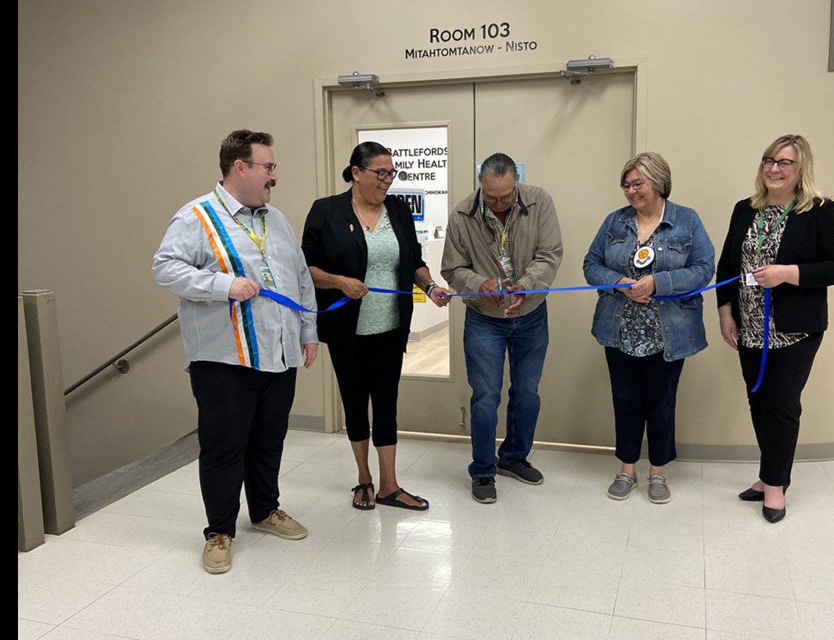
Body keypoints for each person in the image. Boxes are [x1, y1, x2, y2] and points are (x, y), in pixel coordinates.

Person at [152, 130, 318, 574]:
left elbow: (299, 276)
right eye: (268, 167)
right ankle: (220, 531)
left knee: (269, 439)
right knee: (225, 445)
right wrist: (224, 285)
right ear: (239, 167)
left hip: (279, 353)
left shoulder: (275, 220)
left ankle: (264, 511)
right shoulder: (196, 217)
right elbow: (165, 268)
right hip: (224, 359)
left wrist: (308, 330)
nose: (274, 175)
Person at [301, 141, 449, 512]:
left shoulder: (397, 210)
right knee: (354, 404)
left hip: (390, 328)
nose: (387, 180)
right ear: (356, 172)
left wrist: (429, 286)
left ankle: (389, 485)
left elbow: (414, 261)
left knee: (386, 404)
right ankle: (363, 480)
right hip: (346, 331)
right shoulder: (326, 211)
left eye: (391, 173)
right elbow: (305, 270)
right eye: (380, 173)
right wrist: (340, 281)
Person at [717, 134, 834, 523]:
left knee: (781, 406)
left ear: (800, 169)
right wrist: (725, 312)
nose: (774, 169)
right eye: (768, 161)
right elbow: (728, 265)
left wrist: (787, 273)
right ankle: (768, 474)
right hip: (748, 326)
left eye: (784, 163)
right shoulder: (746, 209)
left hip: (794, 331)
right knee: (758, 401)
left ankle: (775, 486)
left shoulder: (820, 211)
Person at [583, 152, 714, 504]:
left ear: (658, 182)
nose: (630, 191)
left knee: (661, 404)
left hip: (668, 333)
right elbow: (591, 264)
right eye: (626, 185)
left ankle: (657, 472)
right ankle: (627, 470)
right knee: (625, 401)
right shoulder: (615, 222)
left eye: (637, 184)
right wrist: (617, 282)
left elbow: (704, 269)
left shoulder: (686, 220)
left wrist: (660, 282)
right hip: (619, 330)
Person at [441, 153, 563, 504]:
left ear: (516, 183)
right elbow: (452, 269)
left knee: (527, 392)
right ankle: (482, 469)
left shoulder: (540, 202)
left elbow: (550, 253)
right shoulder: (463, 215)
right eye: (491, 197)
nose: (498, 204)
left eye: (506, 196)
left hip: (531, 315)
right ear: (481, 184)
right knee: (485, 397)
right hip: (484, 320)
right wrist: (479, 283)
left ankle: (514, 456)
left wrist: (526, 285)